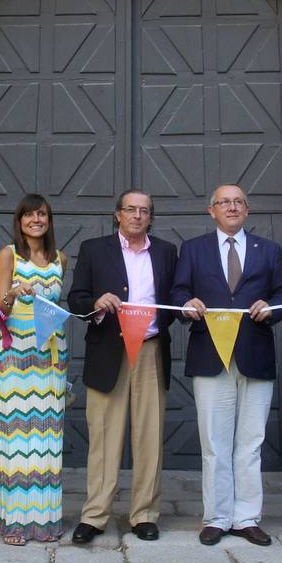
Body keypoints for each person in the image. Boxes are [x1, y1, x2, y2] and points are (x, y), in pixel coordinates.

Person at [171, 184, 282, 547]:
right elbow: (177, 293)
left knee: (251, 441)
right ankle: (217, 517)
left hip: (255, 354)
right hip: (210, 355)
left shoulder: (268, 250)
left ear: (247, 210)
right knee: (214, 442)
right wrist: (186, 303)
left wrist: (273, 308)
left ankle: (246, 517)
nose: (232, 207)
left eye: (238, 202)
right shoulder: (193, 250)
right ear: (212, 211)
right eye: (224, 202)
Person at [67, 189, 178, 544]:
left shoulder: (166, 252)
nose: (137, 216)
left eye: (144, 210)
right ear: (117, 214)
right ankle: (95, 515)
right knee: (103, 435)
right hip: (108, 351)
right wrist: (97, 303)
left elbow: (174, 299)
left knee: (149, 435)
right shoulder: (93, 249)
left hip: (150, 349)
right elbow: (77, 298)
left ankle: (144, 514)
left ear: (150, 217)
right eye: (130, 209)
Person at [0, 194, 69, 544]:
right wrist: (13, 292)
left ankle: (45, 520)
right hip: (16, 353)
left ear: (49, 220)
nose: (36, 219)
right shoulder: (9, 254)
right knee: (17, 435)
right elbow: (0, 306)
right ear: (19, 220)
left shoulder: (60, 259)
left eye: (42, 214)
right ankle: (15, 521)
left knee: (47, 437)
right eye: (29, 214)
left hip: (50, 354)